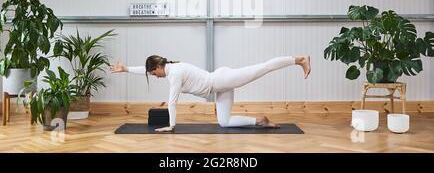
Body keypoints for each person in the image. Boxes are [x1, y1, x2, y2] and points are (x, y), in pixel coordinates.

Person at [110, 55, 311, 133]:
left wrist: (171, 126)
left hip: (221, 80)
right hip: (219, 88)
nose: (155, 76)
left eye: (154, 73)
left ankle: (299, 59)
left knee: (261, 68)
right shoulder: (169, 68)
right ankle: (260, 121)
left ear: (159, 67)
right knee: (224, 122)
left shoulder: (174, 74)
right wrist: (126, 68)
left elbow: (172, 102)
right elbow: (145, 70)